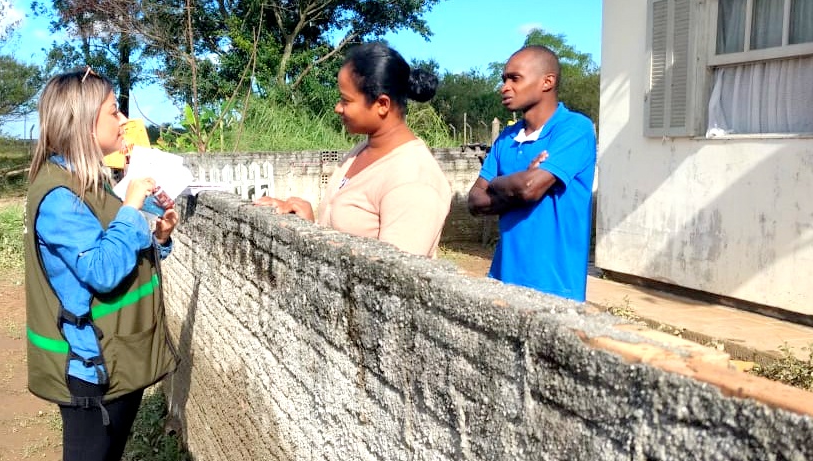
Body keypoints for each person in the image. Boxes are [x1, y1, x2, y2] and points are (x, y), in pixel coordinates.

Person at [23, 67, 179, 461]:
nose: (123, 119)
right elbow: (99, 271)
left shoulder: (91, 182)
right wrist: (135, 208)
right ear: (85, 123)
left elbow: (122, 245)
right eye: (114, 110)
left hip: (116, 357)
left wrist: (155, 231)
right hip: (84, 365)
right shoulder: (59, 195)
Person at [254, 42, 452, 258]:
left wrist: (313, 238)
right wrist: (308, 227)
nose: (337, 108)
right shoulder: (360, 152)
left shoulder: (414, 180)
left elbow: (390, 279)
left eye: (346, 100)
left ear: (382, 104)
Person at [467, 45, 597, 301]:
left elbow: (529, 188)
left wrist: (496, 185)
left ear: (547, 81)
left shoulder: (574, 129)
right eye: (504, 79)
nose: (504, 87)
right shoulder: (506, 138)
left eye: (514, 78)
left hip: (555, 289)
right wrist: (517, 183)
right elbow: (474, 201)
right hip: (501, 282)